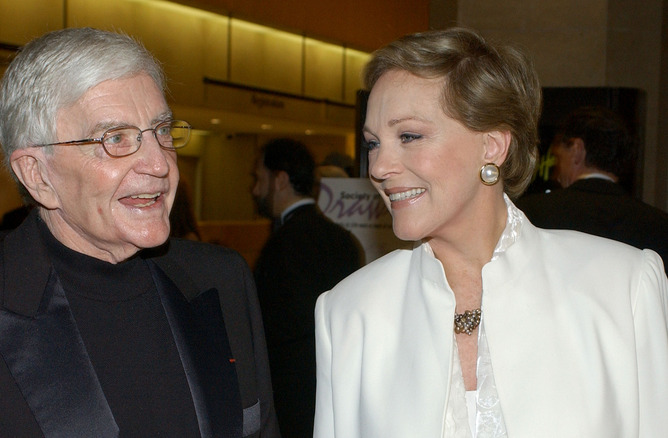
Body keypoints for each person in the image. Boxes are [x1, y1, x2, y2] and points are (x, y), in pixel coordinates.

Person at [0, 28, 278, 437]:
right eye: (115, 138)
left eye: (162, 131)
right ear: (37, 175)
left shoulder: (221, 277)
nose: (160, 163)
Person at [313, 28, 668, 438]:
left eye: (409, 136)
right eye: (373, 143)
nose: (378, 166)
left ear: (493, 146)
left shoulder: (621, 287)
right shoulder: (348, 312)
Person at [251, 138, 362, 438]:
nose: (255, 190)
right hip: (338, 394)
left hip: (291, 404)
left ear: (280, 180)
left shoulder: (283, 245)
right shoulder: (343, 239)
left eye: (259, 179)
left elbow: (269, 330)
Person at [517, 106, 668, 273]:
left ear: (577, 150)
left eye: (557, 157)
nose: (556, 173)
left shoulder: (529, 214)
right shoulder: (659, 226)